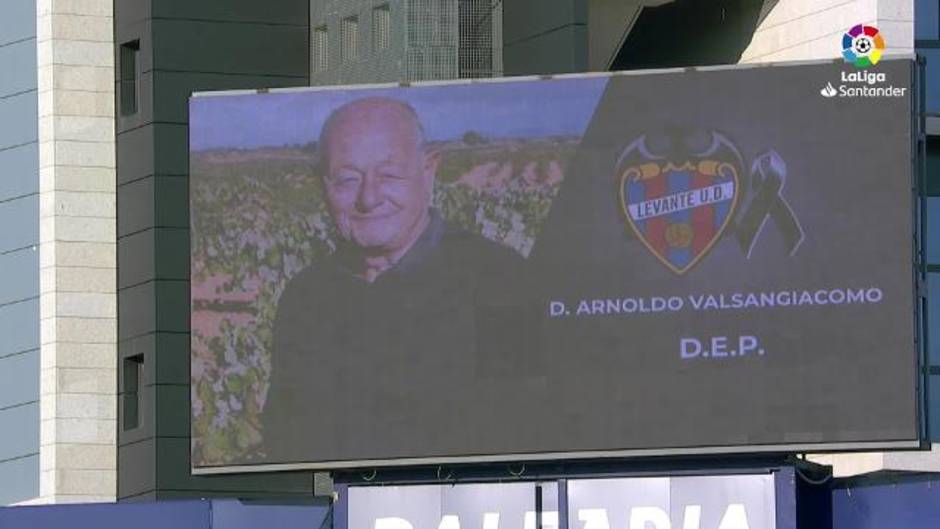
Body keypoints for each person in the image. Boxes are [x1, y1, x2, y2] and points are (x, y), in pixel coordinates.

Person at [261, 97, 535, 464]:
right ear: (321, 185)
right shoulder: (305, 298)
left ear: (428, 170)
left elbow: (522, 432)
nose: (369, 197)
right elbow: (287, 438)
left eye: (388, 175)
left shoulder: (499, 281)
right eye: (347, 179)